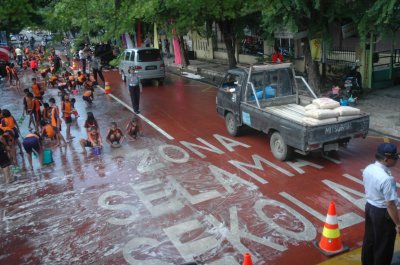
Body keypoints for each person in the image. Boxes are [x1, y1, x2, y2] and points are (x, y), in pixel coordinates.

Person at [361, 142, 400, 265]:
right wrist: (398, 224)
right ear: (386, 159)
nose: (397, 160)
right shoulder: (387, 179)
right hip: (383, 213)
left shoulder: (369, 168)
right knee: (384, 245)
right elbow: (390, 204)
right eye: (395, 158)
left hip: (370, 207)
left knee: (370, 239)